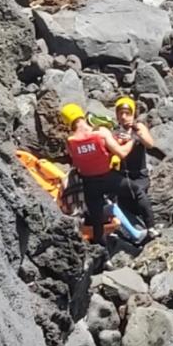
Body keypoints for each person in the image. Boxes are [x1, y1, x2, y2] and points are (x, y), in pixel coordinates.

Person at [61, 103, 139, 248]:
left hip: (85, 201)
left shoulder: (71, 144)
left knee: (101, 215)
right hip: (94, 199)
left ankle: (104, 253)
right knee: (114, 207)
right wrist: (130, 139)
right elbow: (119, 154)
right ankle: (136, 234)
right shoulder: (98, 134)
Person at [112, 96, 157, 234]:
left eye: (128, 113)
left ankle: (151, 226)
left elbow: (150, 143)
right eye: (121, 113)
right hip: (122, 175)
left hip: (139, 175)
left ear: (133, 114)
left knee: (138, 194)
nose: (124, 117)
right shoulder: (115, 130)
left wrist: (134, 137)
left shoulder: (138, 127)